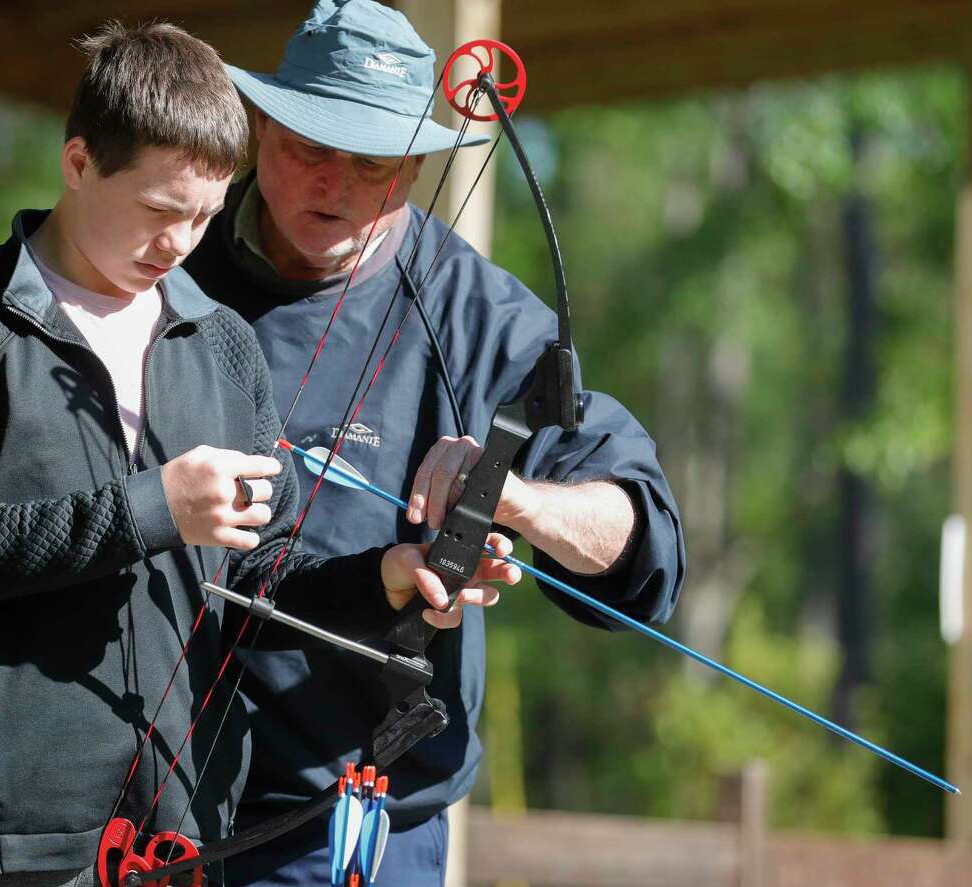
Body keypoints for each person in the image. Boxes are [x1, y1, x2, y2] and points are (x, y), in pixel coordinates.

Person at [0, 20, 517, 887]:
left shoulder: (222, 343)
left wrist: (385, 579)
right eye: (160, 210)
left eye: (206, 216)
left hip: (179, 847)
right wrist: (153, 508)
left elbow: (256, 586)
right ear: (78, 163)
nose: (181, 242)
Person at [181, 1, 687, 884]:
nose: (330, 184)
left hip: (347, 825)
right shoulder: (166, 255)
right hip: (146, 804)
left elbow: (643, 545)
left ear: (415, 167)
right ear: (260, 127)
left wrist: (519, 497)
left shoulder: (477, 315)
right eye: (307, 147)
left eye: (370, 162)